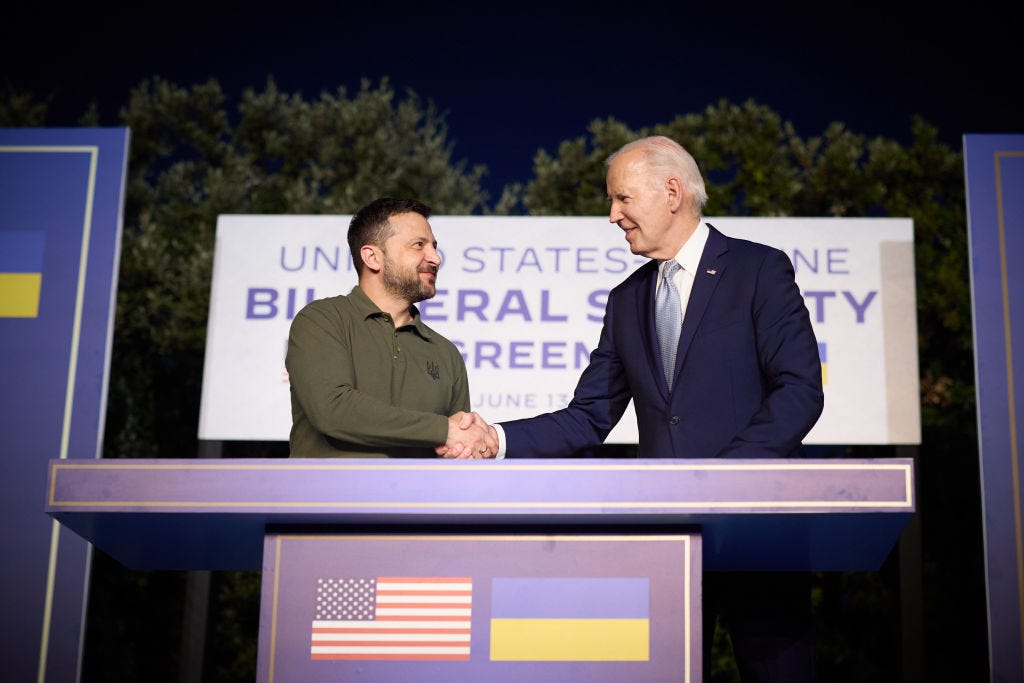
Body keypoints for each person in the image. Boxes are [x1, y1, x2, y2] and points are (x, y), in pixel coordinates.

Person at [444, 136, 824, 681]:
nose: (612, 214)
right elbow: (589, 416)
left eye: (622, 198)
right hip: (667, 540)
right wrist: (495, 439)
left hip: (758, 530)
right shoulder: (625, 300)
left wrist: (720, 480)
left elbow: (800, 391)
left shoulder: (759, 270)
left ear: (672, 192)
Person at [286, 196, 496, 458]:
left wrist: (465, 445)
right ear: (373, 257)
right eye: (418, 245)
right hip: (328, 499)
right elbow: (333, 409)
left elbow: (458, 449)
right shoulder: (323, 319)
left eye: (434, 246)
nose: (435, 258)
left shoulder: (446, 353)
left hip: (416, 500)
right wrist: (444, 430)